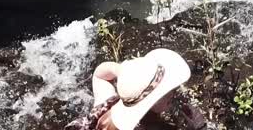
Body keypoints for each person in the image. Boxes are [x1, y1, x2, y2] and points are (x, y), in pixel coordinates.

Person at [67, 49, 206, 130]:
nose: (173, 94)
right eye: (168, 93)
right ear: (152, 102)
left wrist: (122, 71)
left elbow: (99, 74)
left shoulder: (106, 106)